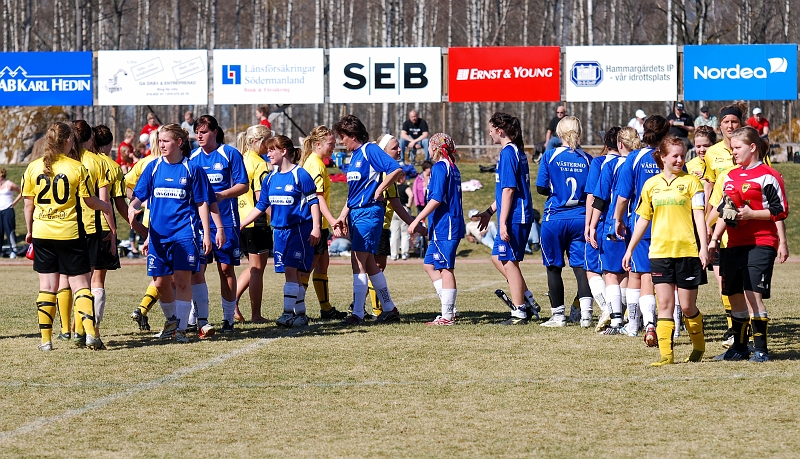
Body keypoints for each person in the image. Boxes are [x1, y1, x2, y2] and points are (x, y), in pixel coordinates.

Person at [22, 122, 112, 351]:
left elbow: (27, 205)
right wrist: (104, 206)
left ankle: (46, 340)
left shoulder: (32, 168)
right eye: (71, 139)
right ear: (66, 141)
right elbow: (89, 201)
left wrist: (30, 231)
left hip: (42, 232)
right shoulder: (76, 167)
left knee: (47, 286)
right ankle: (91, 334)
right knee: (81, 284)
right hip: (69, 232)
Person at [129, 124, 220, 343]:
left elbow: (202, 203)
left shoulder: (192, 169)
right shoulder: (153, 167)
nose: (161, 145)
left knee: (182, 282)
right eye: (160, 141)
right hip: (159, 236)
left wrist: (207, 234)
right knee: (160, 283)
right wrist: (133, 207)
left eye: (166, 141)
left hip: (184, 234)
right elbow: (139, 196)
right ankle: (171, 320)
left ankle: (180, 329)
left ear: (179, 142)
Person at [622, 136, 709, 366]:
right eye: (675, 156)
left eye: (683, 155)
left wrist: (704, 246)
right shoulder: (651, 185)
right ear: (663, 157)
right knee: (665, 305)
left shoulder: (692, 183)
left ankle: (699, 346)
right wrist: (630, 249)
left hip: (687, 252)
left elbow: (699, 216)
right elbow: (642, 219)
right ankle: (666, 355)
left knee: (688, 306)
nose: (680, 160)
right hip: (659, 253)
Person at [709, 126, 788, 362]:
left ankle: (761, 349)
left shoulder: (769, 175)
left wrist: (751, 215)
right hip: (733, 244)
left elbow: (780, 210)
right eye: (732, 148)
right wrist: (714, 239)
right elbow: (725, 211)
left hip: (761, 242)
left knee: (753, 294)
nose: (733, 152)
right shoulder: (731, 176)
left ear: (752, 147)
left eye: (737, 148)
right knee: (733, 294)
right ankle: (740, 348)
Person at [240, 136, 321, 328]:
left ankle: (287, 314)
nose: (267, 154)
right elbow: (261, 205)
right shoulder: (270, 178)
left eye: (271, 150)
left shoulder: (300, 175)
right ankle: (300, 314)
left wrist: (316, 227)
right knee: (289, 274)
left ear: (283, 151)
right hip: (279, 232)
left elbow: (313, 202)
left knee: (292, 270)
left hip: (298, 231)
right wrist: (242, 223)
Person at [331, 115, 403, 325]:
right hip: (355, 213)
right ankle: (389, 309)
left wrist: (380, 189)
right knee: (369, 262)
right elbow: (354, 193)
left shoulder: (370, 150)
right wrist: (343, 215)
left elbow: (395, 168)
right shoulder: (353, 157)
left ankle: (358, 314)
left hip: (369, 212)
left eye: (343, 137)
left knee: (358, 261)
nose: (341, 142)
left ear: (353, 135)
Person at [476, 112, 540, 325]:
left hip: (515, 215)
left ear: (500, 130)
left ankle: (519, 311)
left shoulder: (508, 153)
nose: (489, 132)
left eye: (491, 128)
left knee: (508, 261)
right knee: (498, 258)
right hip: (514, 213)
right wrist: (489, 211)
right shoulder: (515, 152)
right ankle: (527, 299)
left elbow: (509, 190)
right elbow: (505, 192)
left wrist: (502, 222)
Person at [189, 115, 248, 334]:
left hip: (226, 222)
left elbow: (244, 185)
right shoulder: (192, 157)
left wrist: (221, 195)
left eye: (203, 132)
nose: (199, 136)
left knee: (225, 269)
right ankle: (197, 318)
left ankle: (228, 318)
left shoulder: (229, 153)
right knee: (197, 270)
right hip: (200, 224)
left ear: (214, 132)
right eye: (197, 132)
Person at [614, 115, 671, 341]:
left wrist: (617, 219)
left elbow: (622, 196)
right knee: (667, 276)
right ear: (665, 134)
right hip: (670, 222)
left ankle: (639, 324)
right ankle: (673, 324)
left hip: (642, 224)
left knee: (639, 273)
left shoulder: (635, 158)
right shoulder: (672, 155)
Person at [536, 116, 593, 328]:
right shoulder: (587, 159)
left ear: (559, 133)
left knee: (553, 267)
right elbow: (591, 191)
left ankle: (558, 316)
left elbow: (541, 188)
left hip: (556, 217)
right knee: (581, 268)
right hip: (580, 218)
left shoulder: (550, 155)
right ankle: (586, 315)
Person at [701, 103, 747, 344]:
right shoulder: (713, 153)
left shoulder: (752, 147)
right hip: (720, 223)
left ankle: (746, 328)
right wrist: (707, 223)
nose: (730, 126)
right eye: (726, 122)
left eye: (734, 122)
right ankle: (733, 327)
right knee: (723, 281)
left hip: (744, 223)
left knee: (744, 282)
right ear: (719, 125)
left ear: (741, 123)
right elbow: (711, 188)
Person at [408, 133, 465, 326]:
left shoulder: (441, 167)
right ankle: (450, 309)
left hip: (446, 224)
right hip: (442, 224)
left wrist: (417, 219)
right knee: (429, 264)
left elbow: (437, 198)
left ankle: (447, 316)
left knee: (445, 268)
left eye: (430, 146)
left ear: (435, 148)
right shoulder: (451, 167)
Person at [589, 126, 640, 334]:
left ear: (620, 144)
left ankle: (617, 320)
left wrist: (592, 226)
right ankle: (632, 316)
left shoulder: (611, 165)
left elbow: (600, 199)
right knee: (628, 270)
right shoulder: (640, 162)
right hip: (636, 223)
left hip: (614, 222)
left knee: (610, 272)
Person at [300, 126, 349, 320]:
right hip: (315, 223)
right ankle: (296, 308)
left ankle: (326, 308)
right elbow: (317, 197)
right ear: (318, 144)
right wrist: (332, 221)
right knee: (308, 267)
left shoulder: (312, 162)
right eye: (331, 143)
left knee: (322, 264)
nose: (334, 147)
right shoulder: (317, 165)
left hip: (317, 223)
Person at [91, 125, 132, 342]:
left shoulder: (79, 161)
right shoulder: (111, 166)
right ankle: (93, 330)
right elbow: (118, 203)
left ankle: (73, 327)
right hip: (102, 226)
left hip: (75, 226)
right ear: (108, 144)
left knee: (78, 279)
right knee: (98, 279)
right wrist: (137, 225)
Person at [233, 125, 273, 324]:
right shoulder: (260, 164)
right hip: (255, 221)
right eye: (269, 142)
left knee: (252, 267)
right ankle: (255, 314)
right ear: (260, 142)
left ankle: (233, 302)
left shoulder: (240, 159)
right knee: (258, 269)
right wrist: (276, 219)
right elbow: (262, 198)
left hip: (240, 218)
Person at [583, 127, 621, 330]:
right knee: (622, 273)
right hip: (624, 223)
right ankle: (628, 315)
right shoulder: (629, 161)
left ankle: (608, 308)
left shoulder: (600, 162)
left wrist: (589, 224)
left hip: (603, 222)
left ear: (606, 144)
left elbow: (593, 195)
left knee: (592, 269)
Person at [390, 172, 414, 260]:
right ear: (402, 178)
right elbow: (411, 195)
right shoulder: (405, 187)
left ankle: (394, 254)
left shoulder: (393, 186)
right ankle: (404, 253)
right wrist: (409, 205)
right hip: (403, 209)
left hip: (393, 211)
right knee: (404, 233)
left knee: (394, 234)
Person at [0, 168, 21, 258]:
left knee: (9, 230)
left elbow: (21, 192)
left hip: (8, 210)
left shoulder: (10, 184)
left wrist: (13, 203)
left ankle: (14, 250)